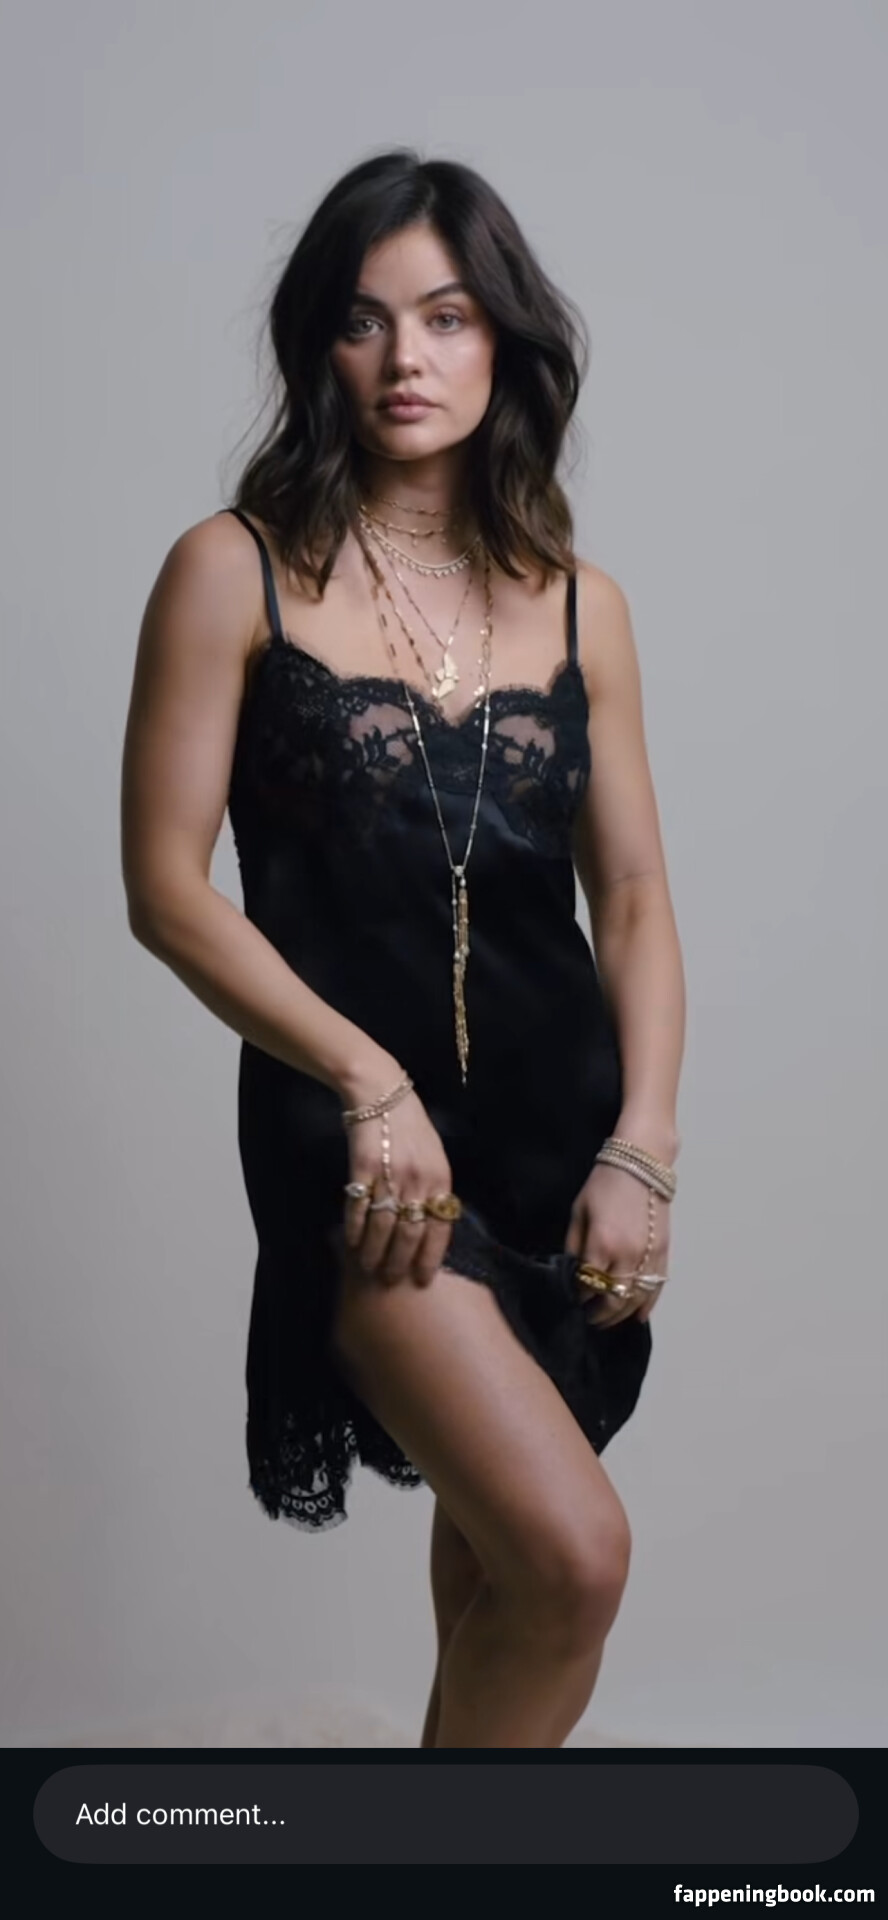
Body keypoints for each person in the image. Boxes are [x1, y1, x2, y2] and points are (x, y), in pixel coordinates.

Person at [120, 148, 686, 1749]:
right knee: (574, 1561)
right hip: (358, 1141)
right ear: (321, 344)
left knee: (498, 1578)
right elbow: (165, 888)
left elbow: (633, 894)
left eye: (446, 317)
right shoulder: (230, 568)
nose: (405, 359)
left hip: (557, 1139)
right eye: (364, 321)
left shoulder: (581, 604)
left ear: (504, 337)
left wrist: (642, 1146)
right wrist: (365, 1080)